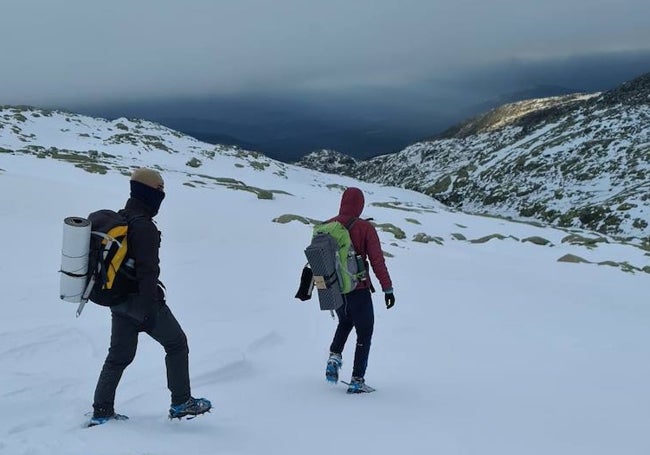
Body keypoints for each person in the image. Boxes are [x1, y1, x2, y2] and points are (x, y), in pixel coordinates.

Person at [89, 168, 211, 426]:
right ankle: (181, 402)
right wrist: (147, 309)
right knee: (177, 343)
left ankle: (101, 411)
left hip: (118, 300)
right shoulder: (144, 227)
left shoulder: (121, 219)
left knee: (118, 356)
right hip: (141, 303)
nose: (162, 196)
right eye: (160, 190)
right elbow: (148, 271)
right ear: (150, 193)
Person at [325, 187, 395, 393]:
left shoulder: (328, 225)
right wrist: (387, 288)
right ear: (360, 205)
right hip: (358, 288)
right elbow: (377, 261)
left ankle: (334, 358)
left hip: (334, 288)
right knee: (364, 332)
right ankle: (357, 380)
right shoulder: (364, 228)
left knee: (345, 322)